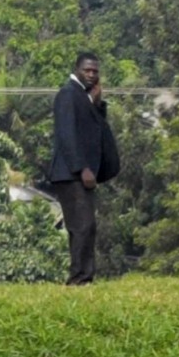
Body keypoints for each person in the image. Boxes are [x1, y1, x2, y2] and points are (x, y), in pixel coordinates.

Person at [45, 52, 118, 286]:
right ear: (77, 69)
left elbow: (95, 129)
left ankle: (84, 277)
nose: (91, 75)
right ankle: (79, 279)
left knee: (86, 225)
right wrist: (82, 169)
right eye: (87, 70)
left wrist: (96, 104)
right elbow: (67, 135)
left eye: (95, 71)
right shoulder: (68, 95)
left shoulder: (84, 97)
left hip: (81, 174)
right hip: (71, 174)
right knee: (82, 226)